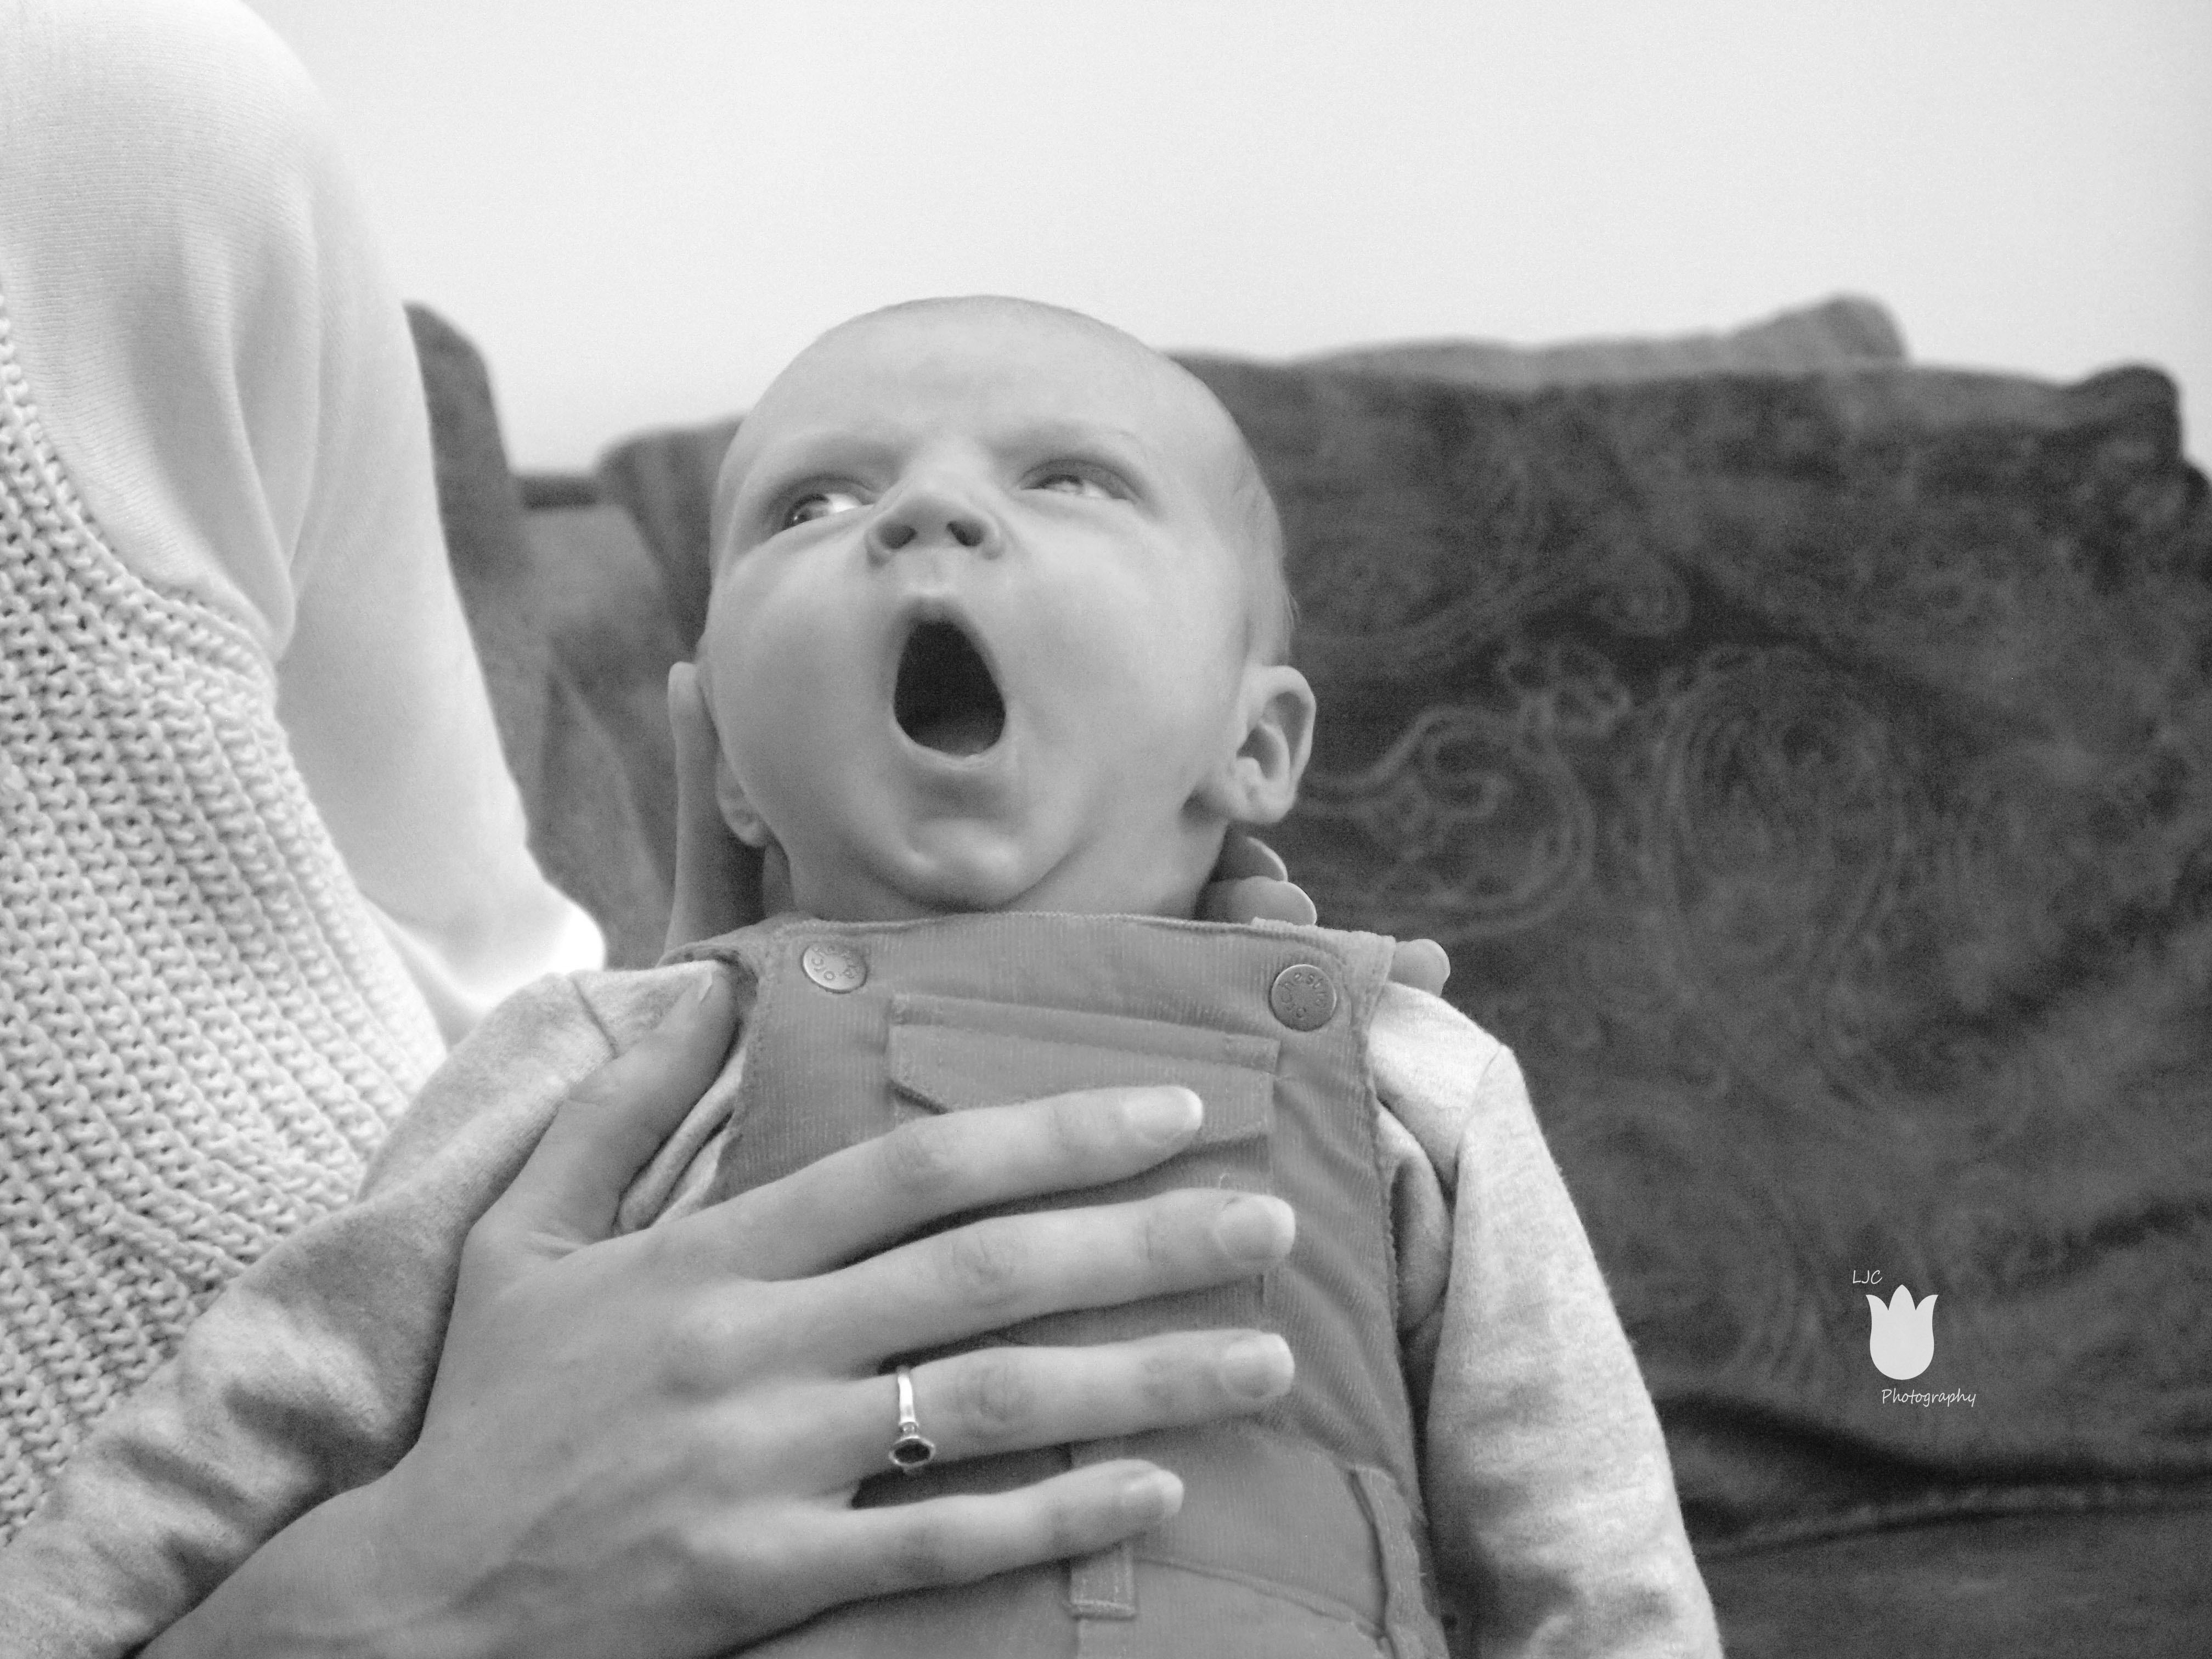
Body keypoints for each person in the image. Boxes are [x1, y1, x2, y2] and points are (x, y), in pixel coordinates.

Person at [1, 3, 1440, 1652]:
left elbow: (1580, 1535)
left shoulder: (1411, 1084)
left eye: (1068, 479)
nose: (928, 511)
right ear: (731, 765)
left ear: (1257, 744)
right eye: (814, 503)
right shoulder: (588, 1065)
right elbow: (282, 1378)